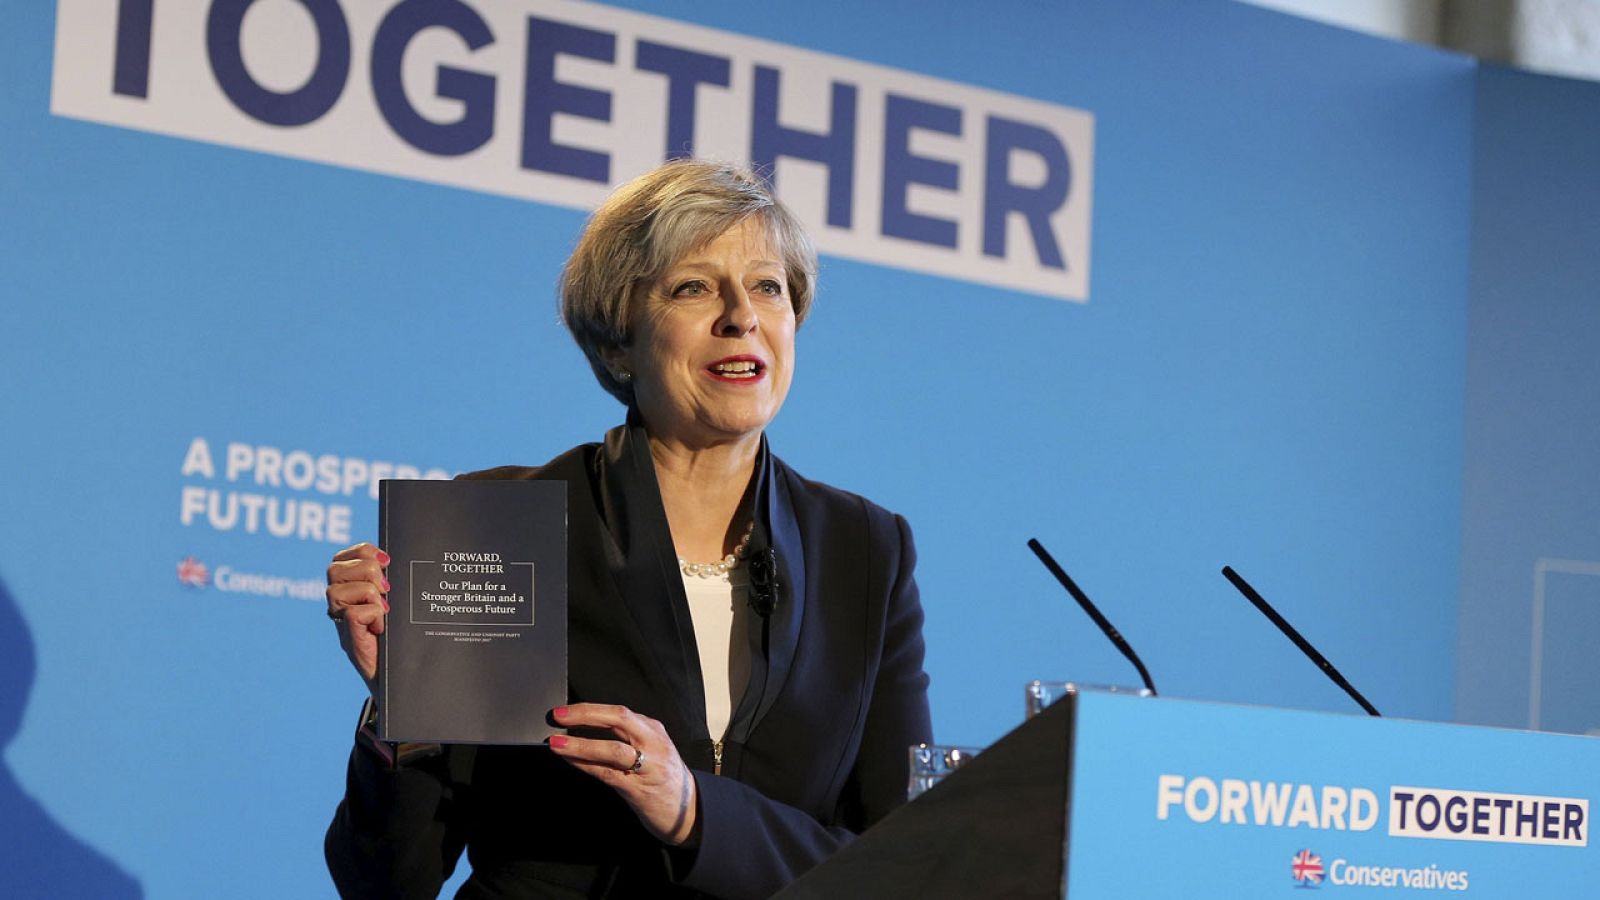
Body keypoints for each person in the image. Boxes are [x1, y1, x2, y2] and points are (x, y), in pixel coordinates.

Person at [323, 159, 932, 899]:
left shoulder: (865, 549)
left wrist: (694, 812)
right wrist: (405, 709)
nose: (741, 315)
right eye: (694, 287)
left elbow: (901, 864)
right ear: (619, 341)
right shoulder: (496, 525)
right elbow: (386, 881)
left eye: (767, 286)